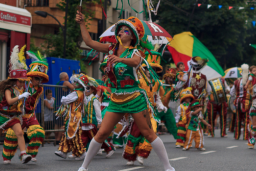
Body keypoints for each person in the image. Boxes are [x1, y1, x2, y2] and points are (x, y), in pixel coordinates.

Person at [75, 12, 175, 171]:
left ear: (132, 37)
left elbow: (135, 62)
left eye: (125, 31)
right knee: (101, 134)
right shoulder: (110, 49)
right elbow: (89, 41)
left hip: (134, 98)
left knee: (148, 133)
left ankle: (168, 167)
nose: (120, 32)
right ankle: (83, 167)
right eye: (119, 30)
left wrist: (120, 59)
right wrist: (82, 23)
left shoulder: (136, 52)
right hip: (116, 99)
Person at [0, 46, 32, 167]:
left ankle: (24, 154)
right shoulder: (8, 89)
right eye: (21, 81)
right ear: (15, 80)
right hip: (3, 116)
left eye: (24, 81)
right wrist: (20, 97)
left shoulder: (21, 89)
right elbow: (9, 101)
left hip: (13, 116)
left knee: (20, 133)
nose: (23, 83)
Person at [2, 48, 47, 163]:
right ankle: (7, 157)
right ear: (31, 77)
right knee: (12, 136)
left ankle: (30, 155)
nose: (39, 81)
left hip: (30, 115)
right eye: (37, 78)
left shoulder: (40, 89)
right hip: (18, 114)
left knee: (38, 132)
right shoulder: (23, 82)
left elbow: (33, 101)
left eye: (41, 79)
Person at [123, 52, 167, 166]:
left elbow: (157, 98)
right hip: (139, 110)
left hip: (151, 112)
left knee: (152, 132)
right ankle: (130, 157)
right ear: (145, 70)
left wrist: (161, 106)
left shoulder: (157, 83)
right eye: (148, 69)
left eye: (153, 70)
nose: (150, 72)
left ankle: (142, 154)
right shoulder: (139, 81)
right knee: (135, 134)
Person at [55, 74, 88, 160]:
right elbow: (85, 104)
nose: (73, 83)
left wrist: (63, 97)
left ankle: (81, 152)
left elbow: (64, 100)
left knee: (74, 134)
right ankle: (63, 151)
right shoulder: (82, 93)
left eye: (75, 82)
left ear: (79, 84)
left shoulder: (76, 93)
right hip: (75, 116)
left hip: (73, 117)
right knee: (68, 133)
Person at [230, 64, 251, 140]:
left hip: (238, 101)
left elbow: (231, 93)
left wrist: (235, 98)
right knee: (246, 119)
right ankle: (245, 136)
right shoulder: (249, 82)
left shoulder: (236, 82)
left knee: (238, 119)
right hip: (246, 102)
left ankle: (237, 135)